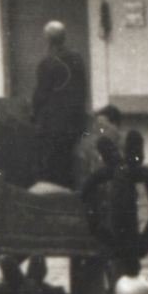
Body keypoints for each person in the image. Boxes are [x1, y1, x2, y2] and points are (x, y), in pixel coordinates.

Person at [29, 17, 89, 187]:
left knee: (53, 167)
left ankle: (55, 198)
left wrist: (33, 116)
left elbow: (40, 96)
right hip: (76, 124)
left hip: (54, 127)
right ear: (64, 37)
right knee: (70, 164)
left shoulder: (47, 64)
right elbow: (83, 90)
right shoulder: (77, 59)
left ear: (47, 39)